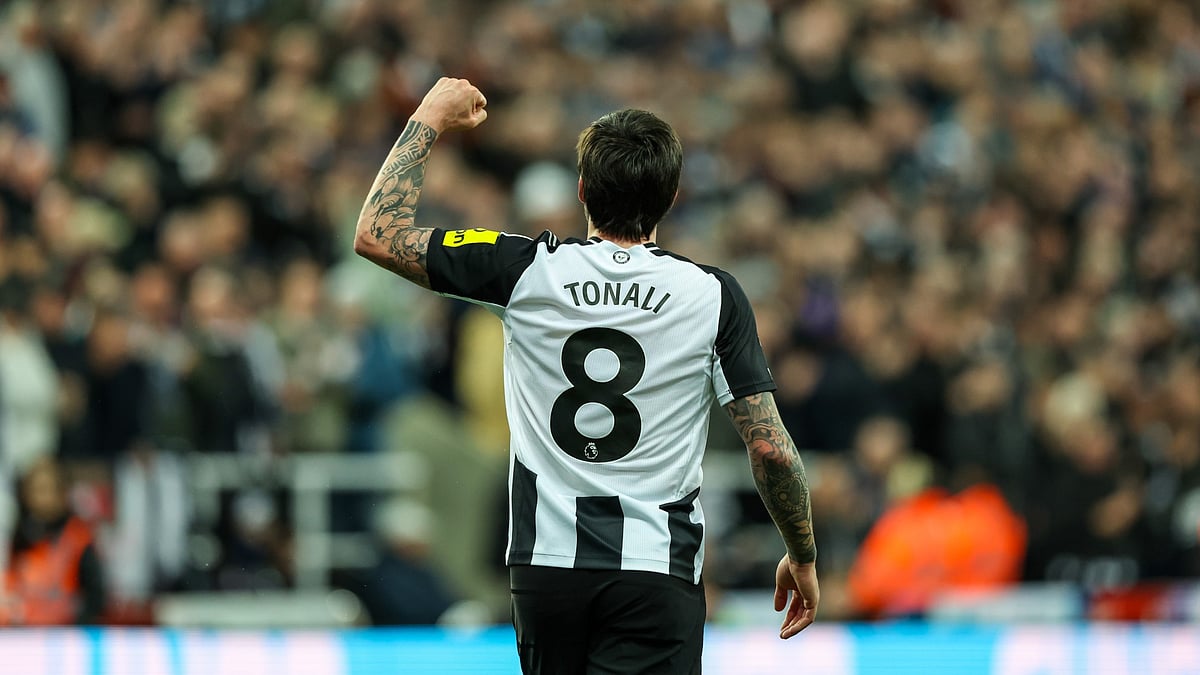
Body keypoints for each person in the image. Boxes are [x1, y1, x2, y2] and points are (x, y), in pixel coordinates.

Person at [354, 77, 819, 673]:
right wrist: (801, 552)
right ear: (672, 196)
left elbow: (376, 233)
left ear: (581, 190)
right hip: (657, 570)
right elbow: (770, 449)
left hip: (547, 570)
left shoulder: (525, 269)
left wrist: (429, 117)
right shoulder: (713, 296)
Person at [1, 457, 106, 625]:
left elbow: (95, 597)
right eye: (36, 490)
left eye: (48, 489)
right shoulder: (19, 536)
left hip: (64, 635)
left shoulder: (78, 536)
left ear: (62, 493)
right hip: (23, 634)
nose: (42, 498)